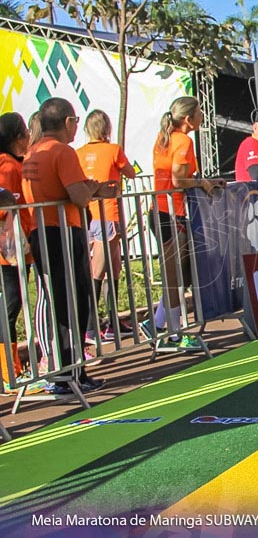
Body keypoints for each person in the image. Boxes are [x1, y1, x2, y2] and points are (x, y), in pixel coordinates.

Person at [21, 98, 116, 393]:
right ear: (66, 122)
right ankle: (69, 373)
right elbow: (78, 196)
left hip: (42, 231)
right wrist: (95, 187)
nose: (77, 126)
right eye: (75, 121)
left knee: (60, 302)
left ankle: (69, 371)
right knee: (71, 303)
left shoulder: (33, 152)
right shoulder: (61, 151)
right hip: (62, 232)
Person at [150, 96, 225, 351]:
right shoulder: (182, 140)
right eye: (200, 112)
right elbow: (178, 179)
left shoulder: (165, 138)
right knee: (175, 277)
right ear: (187, 118)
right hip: (170, 213)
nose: (203, 116)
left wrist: (205, 180)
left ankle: (161, 324)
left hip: (164, 211)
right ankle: (171, 334)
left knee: (178, 275)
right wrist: (201, 183)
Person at [76, 109, 136, 343]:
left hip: (90, 214)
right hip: (108, 214)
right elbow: (130, 173)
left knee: (114, 267)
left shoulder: (80, 153)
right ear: (106, 129)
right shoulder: (113, 150)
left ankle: (112, 321)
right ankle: (91, 327)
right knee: (98, 269)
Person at [0, 113, 32, 385]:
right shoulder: (7, 167)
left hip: (15, 250)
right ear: (17, 138)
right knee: (9, 307)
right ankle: (11, 372)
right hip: (8, 253)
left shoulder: (14, 164)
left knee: (11, 306)